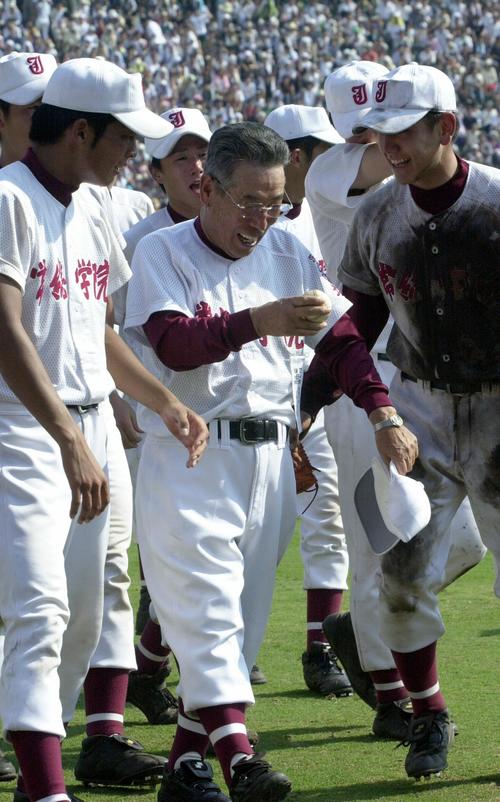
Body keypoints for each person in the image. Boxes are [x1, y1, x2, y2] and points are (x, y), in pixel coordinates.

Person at [124, 120, 417, 802]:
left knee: (243, 623)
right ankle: (239, 760)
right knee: (210, 613)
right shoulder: (162, 250)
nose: (263, 217)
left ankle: (185, 766)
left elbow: (341, 340)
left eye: (276, 200)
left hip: (271, 459)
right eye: (249, 201)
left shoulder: (286, 247)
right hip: (190, 453)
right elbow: (173, 344)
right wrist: (260, 321)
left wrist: (381, 412)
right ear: (207, 189)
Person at [0, 56, 208, 802]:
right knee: (39, 607)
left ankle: (42, 765)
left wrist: (160, 400)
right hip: (23, 427)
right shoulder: (8, 197)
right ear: (81, 131)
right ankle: (46, 788)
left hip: (87, 424)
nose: (133, 152)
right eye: (124, 137)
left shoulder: (90, 204)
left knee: (86, 616)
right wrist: (67, 439)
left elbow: (99, 330)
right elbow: (5, 330)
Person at [304, 60, 487, 741]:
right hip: (387, 388)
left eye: (400, 127)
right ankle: (406, 704)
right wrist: (314, 390)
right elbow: (360, 311)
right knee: (386, 552)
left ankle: (372, 638)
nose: (385, 143)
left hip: (470, 393)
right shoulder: (354, 189)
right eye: (378, 130)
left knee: (458, 549)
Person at [121, 106, 213, 725]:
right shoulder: (140, 239)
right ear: (156, 172)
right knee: (159, 557)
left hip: (215, 419)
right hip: (150, 416)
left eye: (203, 153)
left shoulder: (233, 229)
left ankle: (152, 667)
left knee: (192, 562)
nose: (196, 166)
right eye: (181, 157)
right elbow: (109, 330)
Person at [264, 103, 352, 697]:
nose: (338, 163)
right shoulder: (248, 225)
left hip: (313, 392)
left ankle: (322, 648)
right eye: (326, 153)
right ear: (297, 157)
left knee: (328, 521)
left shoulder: (325, 218)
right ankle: (161, 650)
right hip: (256, 397)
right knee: (246, 536)